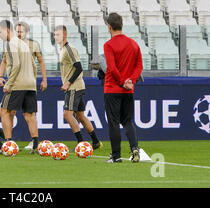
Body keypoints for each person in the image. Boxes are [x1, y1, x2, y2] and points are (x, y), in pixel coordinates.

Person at [0, 21, 47, 150]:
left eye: (0, 32)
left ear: (7, 30)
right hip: (30, 83)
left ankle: (8, 144)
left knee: (4, 111)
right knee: (29, 114)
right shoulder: (24, 44)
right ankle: (36, 145)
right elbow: (33, 64)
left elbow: (16, 65)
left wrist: (9, 83)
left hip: (17, 84)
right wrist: (32, 79)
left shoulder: (11, 44)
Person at [53, 25, 102, 150]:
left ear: (65, 35)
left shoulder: (69, 49)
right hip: (78, 86)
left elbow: (79, 67)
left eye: (58, 34)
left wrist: (68, 83)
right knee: (80, 115)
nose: (56, 37)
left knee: (67, 114)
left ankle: (81, 143)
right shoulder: (63, 49)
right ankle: (96, 141)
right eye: (55, 34)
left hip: (74, 87)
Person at [103, 12, 143, 163]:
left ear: (109, 26)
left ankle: (116, 155)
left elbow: (112, 68)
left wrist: (121, 82)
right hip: (128, 90)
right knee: (127, 121)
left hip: (113, 88)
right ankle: (134, 149)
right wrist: (130, 81)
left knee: (113, 122)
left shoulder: (109, 45)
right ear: (122, 25)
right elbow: (139, 65)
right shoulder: (133, 44)